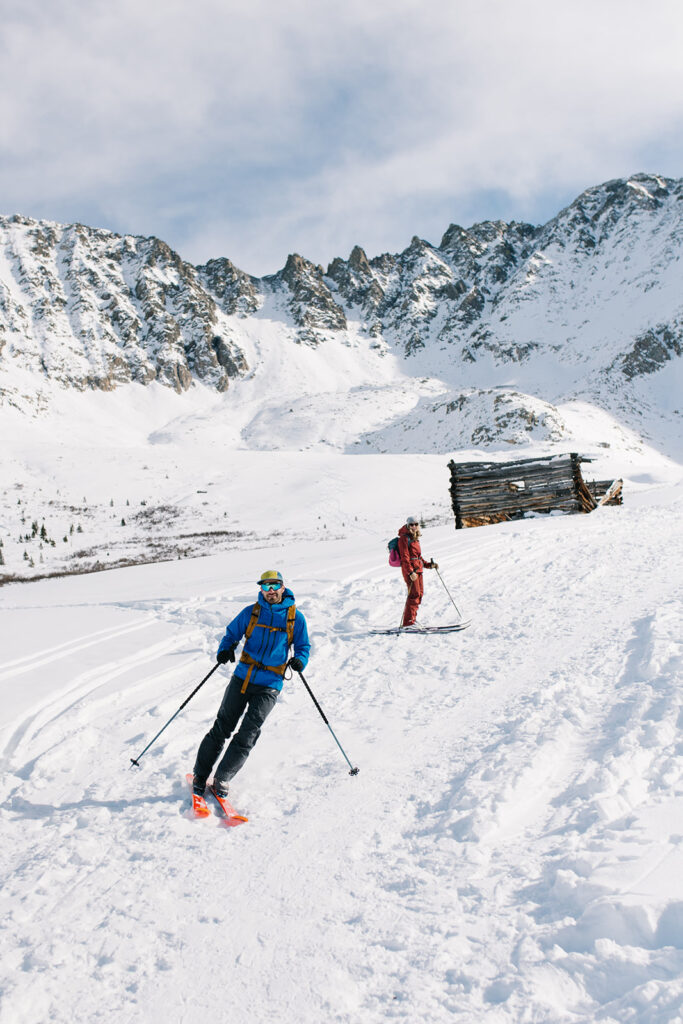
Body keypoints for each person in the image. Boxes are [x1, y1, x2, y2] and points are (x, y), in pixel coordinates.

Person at [192, 570, 310, 797]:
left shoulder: (296, 618)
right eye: (266, 587)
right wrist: (224, 650)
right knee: (222, 727)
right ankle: (200, 774)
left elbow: (303, 647)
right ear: (261, 590)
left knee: (248, 732)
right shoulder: (251, 612)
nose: (271, 591)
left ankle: (222, 778)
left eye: (274, 586)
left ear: (283, 587)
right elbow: (231, 635)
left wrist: (299, 661)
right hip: (242, 677)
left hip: (270, 684)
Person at [397, 516, 438, 627]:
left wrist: (429, 565)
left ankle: (412, 621)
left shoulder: (414, 538)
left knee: (419, 595)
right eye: (411, 524)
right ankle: (408, 624)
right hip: (411, 572)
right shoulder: (404, 539)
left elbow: (418, 557)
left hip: (417, 571)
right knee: (414, 595)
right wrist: (410, 572)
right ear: (407, 525)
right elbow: (405, 558)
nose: (414, 526)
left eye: (416, 524)